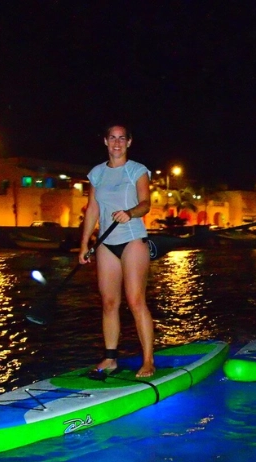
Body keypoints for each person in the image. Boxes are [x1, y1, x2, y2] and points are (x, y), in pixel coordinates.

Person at [79, 124, 155, 378]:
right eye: (112, 138)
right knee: (109, 303)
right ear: (105, 141)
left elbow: (146, 204)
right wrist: (84, 244)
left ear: (129, 142)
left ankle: (148, 361)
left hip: (133, 239)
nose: (117, 143)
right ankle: (111, 358)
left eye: (122, 138)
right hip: (105, 243)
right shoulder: (97, 173)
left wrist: (130, 213)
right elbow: (92, 209)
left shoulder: (137, 170)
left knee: (135, 301)